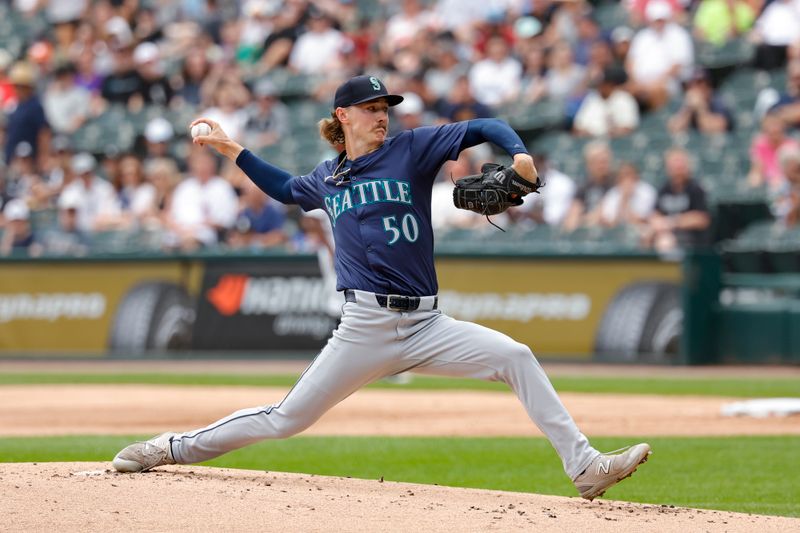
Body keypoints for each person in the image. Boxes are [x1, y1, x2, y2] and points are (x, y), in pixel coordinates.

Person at [112, 75, 651, 501]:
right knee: (286, 419)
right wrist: (235, 150)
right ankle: (173, 447)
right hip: (365, 326)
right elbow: (283, 188)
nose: (381, 117)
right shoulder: (327, 177)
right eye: (372, 109)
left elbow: (484, 123)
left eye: (385, 109)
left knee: (516, 355)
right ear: (343, 116)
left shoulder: (411, 150)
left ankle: (584, 466)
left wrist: (519, 155)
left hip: (427, 324)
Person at [643, 148, 711, 253]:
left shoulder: (696, 189)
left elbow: (701, 219)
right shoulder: (664, 189)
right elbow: (655, 214)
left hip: (691, 239)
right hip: (666, 234)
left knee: (665, 242)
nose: (677, 168)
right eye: (674, 164)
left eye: (680, 164)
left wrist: (672, 222)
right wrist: (657, 224)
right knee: (646, 236)